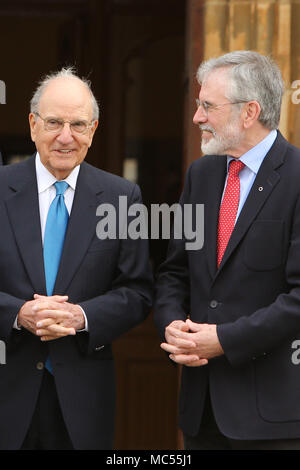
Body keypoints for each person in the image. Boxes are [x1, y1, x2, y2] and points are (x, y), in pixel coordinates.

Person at [0, 67, 153, 450]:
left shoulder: (123, 198)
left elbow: (138, 292)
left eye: (78, 124)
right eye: (54, 122)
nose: (65, 137)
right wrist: (17, 314)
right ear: (33, 124)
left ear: (94, 129)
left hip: (83, 400)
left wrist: (81, 317)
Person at [154, 50, 300, 450]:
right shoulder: (200, 174)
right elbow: (174, 272)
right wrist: (171, 325)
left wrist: (225, 340)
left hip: (273, 420)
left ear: (249, 112)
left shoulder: (297, 179)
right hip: (202, 413)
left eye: (207, 106)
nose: (197, 117)